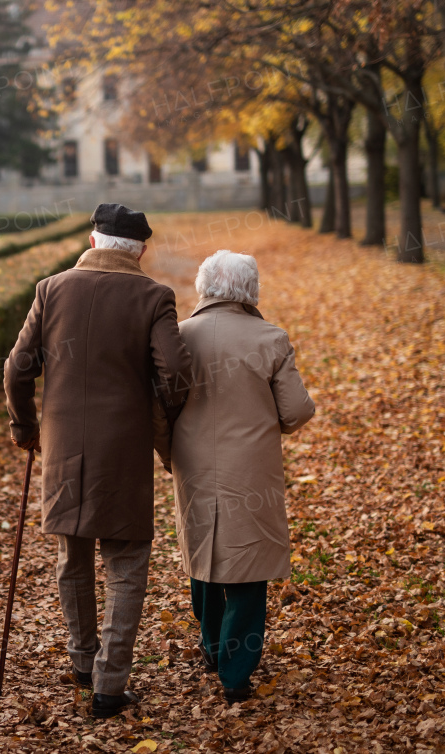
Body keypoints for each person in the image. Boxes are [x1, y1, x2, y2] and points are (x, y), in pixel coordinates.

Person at [4, 203, 192, 719]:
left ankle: (83, 662)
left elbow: (17, 369)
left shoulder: (51, 289)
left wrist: (24, 426)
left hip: (64, 448)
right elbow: (175, 369)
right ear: (141, 252)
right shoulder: (154, 296)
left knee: (73, 556)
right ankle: (110, 684)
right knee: (126, 563)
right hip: (125, 451)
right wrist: (162, 413)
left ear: (92, 243)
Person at [165, 250, 315, 705]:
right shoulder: (270, 338)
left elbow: (160, 401)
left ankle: (211, 647)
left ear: (204, 286)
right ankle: (236, 673)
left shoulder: (179, 337)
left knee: (204, 550)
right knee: (248, 565)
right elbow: (295, 410)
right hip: (250, 468)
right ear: (250, 290)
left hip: (192, 463)